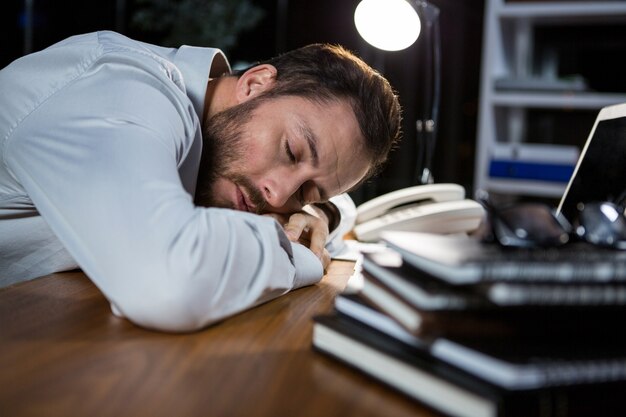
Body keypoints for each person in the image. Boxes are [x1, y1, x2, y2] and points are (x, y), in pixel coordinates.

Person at [0, 31, 401, 331]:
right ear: (255, 84)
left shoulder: (221, 151)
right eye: (292, 152)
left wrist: (322, 211)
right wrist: (302, 258)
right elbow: (168, 282)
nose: (279, 194)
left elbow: (335, 206)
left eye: (307, 190)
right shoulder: (122, 89)